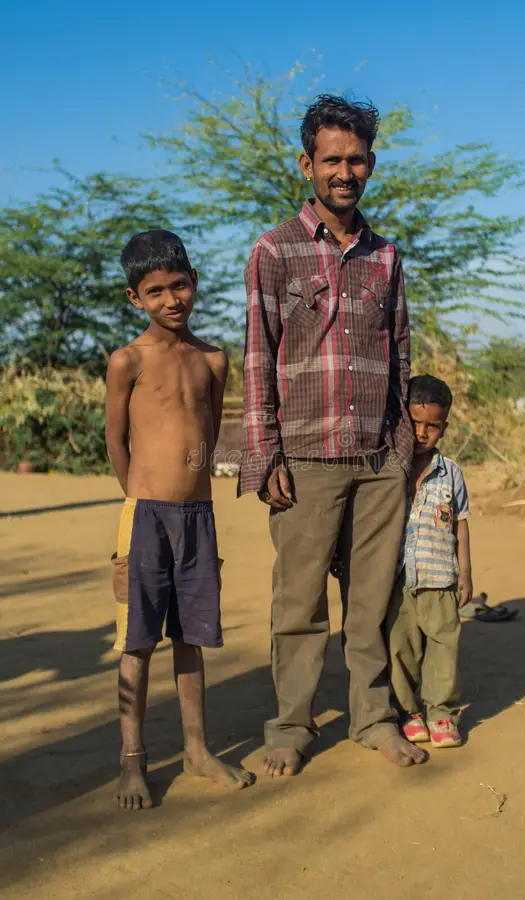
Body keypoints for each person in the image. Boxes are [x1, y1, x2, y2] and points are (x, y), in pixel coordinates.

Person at [238, 94, 427, 776]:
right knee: (299, 603)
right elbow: (258, 355)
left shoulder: (387, 256)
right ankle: (290, 726)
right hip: (306, 461)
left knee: (373, 600)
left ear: (371, 164)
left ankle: (373, 718)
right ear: (306, 164)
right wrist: (263, 457)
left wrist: (404, 450)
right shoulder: (274, 250)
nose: (344, 171)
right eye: (331, 159)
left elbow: (401, 354)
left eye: (355, 159)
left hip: (379, 459)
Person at [105, 229, 254, 810]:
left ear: (195, 283)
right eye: (156, 291)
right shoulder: (127, 361)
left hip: (198, 517)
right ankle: (133, 761)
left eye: (180, 286)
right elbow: (116, 440)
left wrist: (189, 487)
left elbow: (212, 431)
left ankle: (196, 749)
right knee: (137, 641)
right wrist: (138, 497)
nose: (172, 300)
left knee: (191, 637)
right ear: (134, 298)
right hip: (144, 517)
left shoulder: (213, 360)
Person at [384, 374, 473, 749]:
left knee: (443, 647)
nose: (422, 433)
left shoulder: (451, 472)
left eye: (432, 426)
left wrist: (465, 572)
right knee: (400, 649)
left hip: (440, 578)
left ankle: (440, 713)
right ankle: (408, 713)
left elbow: (461, 524)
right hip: (397, 579)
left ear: (445, 427)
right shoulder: (388, 469)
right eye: (415, 423)